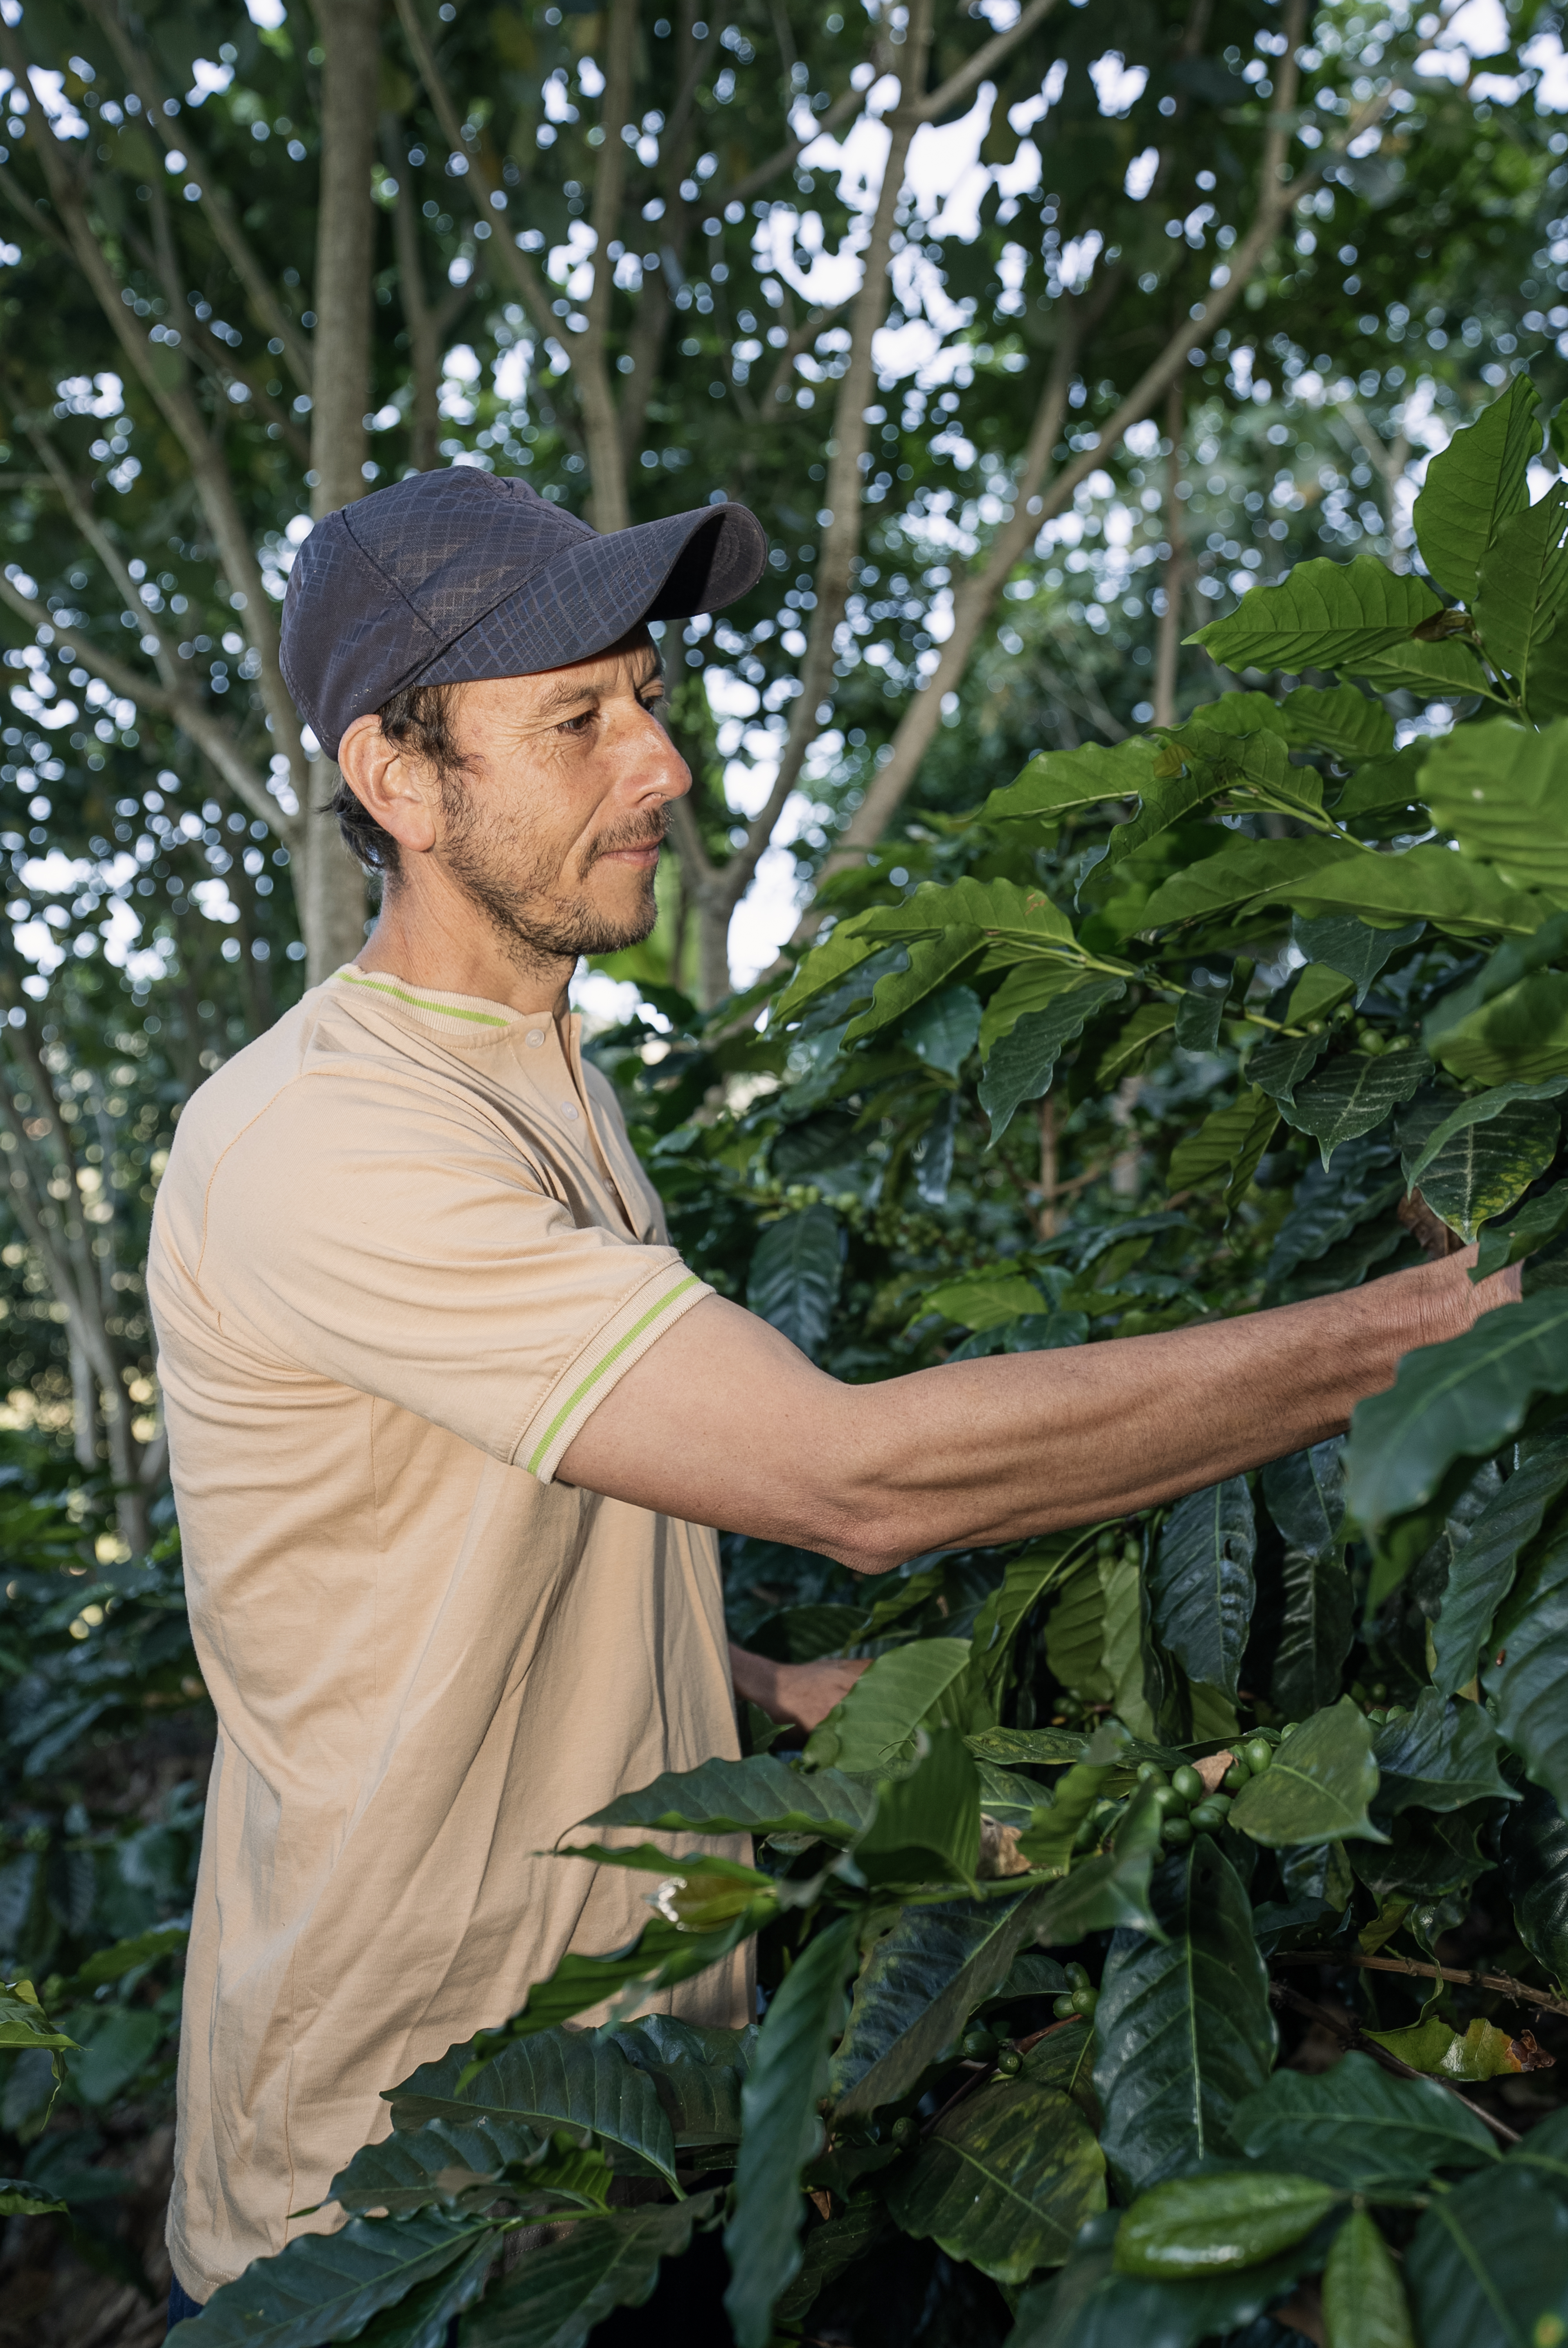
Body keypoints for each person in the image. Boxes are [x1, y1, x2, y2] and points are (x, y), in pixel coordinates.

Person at [148, 468, 1518, 2328]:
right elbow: (855, 1480)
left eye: (647, 698)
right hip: (401, 2207)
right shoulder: (324, 1141)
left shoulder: (545, 1082)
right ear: (398, 778)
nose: (663, 762)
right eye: (576, 720)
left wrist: (772, 1696)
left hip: (653, 2122)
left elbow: (453, 1547)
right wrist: (1444, 1326)